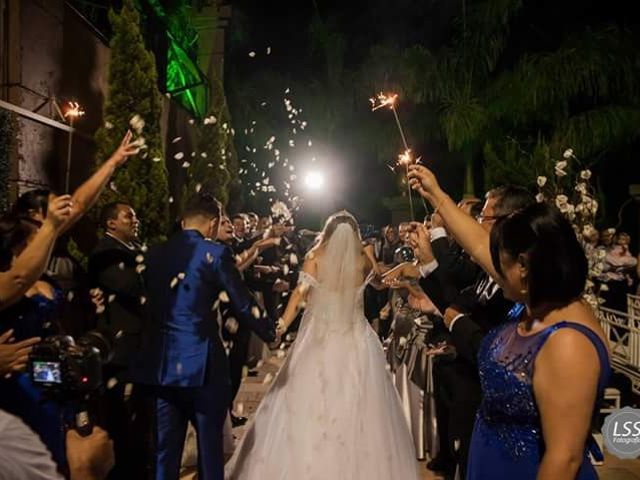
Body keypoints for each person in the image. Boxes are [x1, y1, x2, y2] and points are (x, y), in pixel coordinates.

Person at [408, 164, 611, 479]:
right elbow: (477, 242)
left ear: (524, 267)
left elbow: (564, 459)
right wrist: (436, 194)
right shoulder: (535, 298)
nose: (494, 275)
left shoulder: (568, 342)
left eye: (500, 266)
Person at [225, 211, 420, 480]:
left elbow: (299, 294)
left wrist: (280, 326)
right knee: (361, 406)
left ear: (327, 232)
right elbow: (377, 282)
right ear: (354, 234)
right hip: (357, 341)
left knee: (306, 403)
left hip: (319, 340)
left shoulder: (315, 257)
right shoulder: (362, 260)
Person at [132, 192, 276, 480]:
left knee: (164, 452)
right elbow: (242, 302)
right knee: (210, 450)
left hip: (161, 366)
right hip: (203, 366)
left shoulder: (154, 253)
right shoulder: (215, 253)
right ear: (212, 224)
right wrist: (270, 330)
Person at [88, 202, 149, 479]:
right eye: (129, 215)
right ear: (111, 223)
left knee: (139, 412)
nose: (134, 220)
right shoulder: (106, 253)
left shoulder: (134, 248)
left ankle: (138, 464)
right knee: (120, 414)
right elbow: (130, 286)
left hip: (138, 343)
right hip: (121, 346)